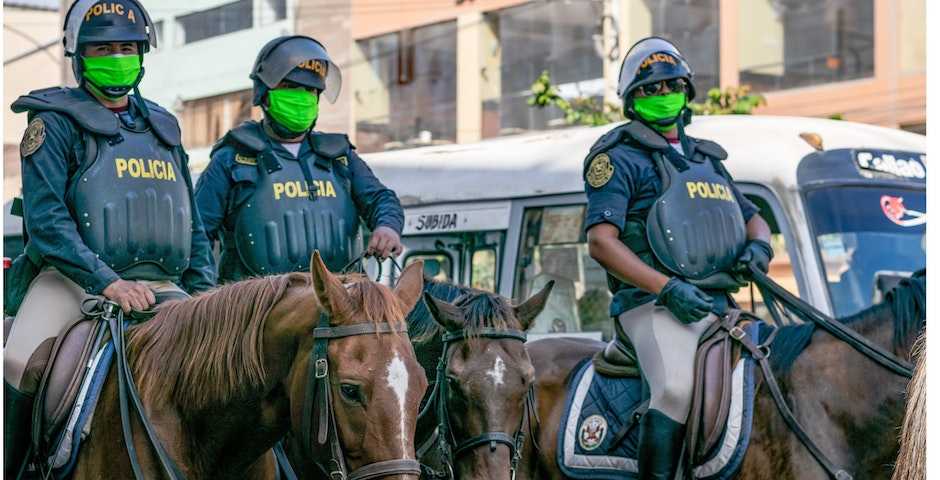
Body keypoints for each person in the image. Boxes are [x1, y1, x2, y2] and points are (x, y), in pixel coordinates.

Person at [4, 0, 215, 474]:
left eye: (126, 47)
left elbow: (192, 223)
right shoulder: (52, 122)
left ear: (142, 53)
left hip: (162, 285)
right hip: (71, 282)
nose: (116, 57)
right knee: (20, 363)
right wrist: (108, 283)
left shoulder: (163, 127)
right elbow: (48, 222)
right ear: (79, 55)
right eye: (102, 49)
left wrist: (206, 293)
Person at [583, 37, 773, 479]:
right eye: (650, 89)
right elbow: (601, 243)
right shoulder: (616, 158)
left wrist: (759, 247)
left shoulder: (707, 159)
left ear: (687, 92)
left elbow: (754, 219)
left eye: (672, 85)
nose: (663, 94)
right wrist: (666, 288)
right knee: (675, 389)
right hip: (651, 306)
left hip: (718, 306)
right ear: (632, 100)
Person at [195, 36, 404, 283]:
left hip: (339, 300)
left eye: (311, 90)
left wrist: (387, 226)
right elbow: (197, 233)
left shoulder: (339, 156)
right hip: (259, 304)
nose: (302, 97)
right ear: (264, 93)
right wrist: (204, 294)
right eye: (291, 87)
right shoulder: (233, 158)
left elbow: (381, 198)